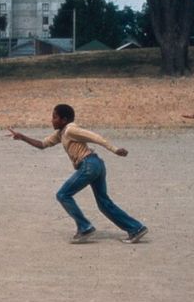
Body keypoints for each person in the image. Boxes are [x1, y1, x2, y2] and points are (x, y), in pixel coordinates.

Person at [8, 104, 148, 244]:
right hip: (96, 164)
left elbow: (95, 137)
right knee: (104, 203)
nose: (52, 120)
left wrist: (115, 149)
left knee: (63, 194)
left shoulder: (70, 130)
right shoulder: (61, 133)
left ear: (64, 119)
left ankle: (84, 227)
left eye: (54, 117)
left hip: (89, 165)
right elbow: (42, 144)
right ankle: (136, 228)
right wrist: (22, 137)